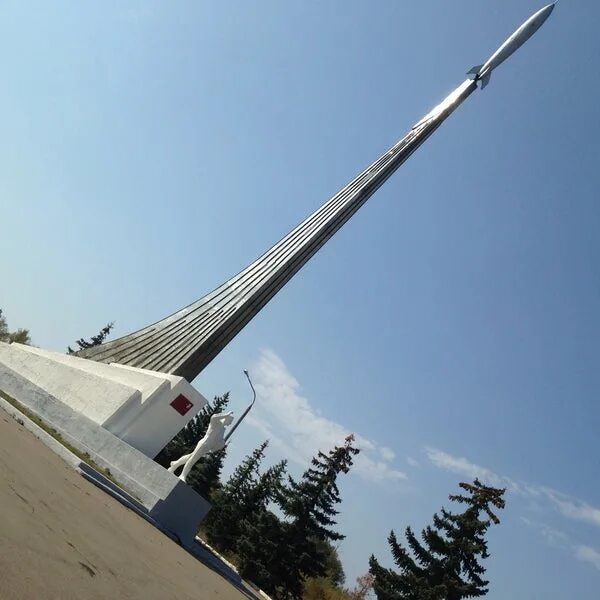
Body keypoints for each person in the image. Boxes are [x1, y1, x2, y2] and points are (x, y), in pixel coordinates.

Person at [168, 411, 234, 482]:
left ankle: (174, 464)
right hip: (204, 443)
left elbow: (218, 440)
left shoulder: (223, 429)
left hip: (208, 446)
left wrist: (221, 444)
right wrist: (225, 414)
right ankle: (183, 475)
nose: (230, 424)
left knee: (191, 456)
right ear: (226, 418)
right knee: (193, 459)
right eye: (230, 421)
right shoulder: (216, 423)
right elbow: (213, 417)